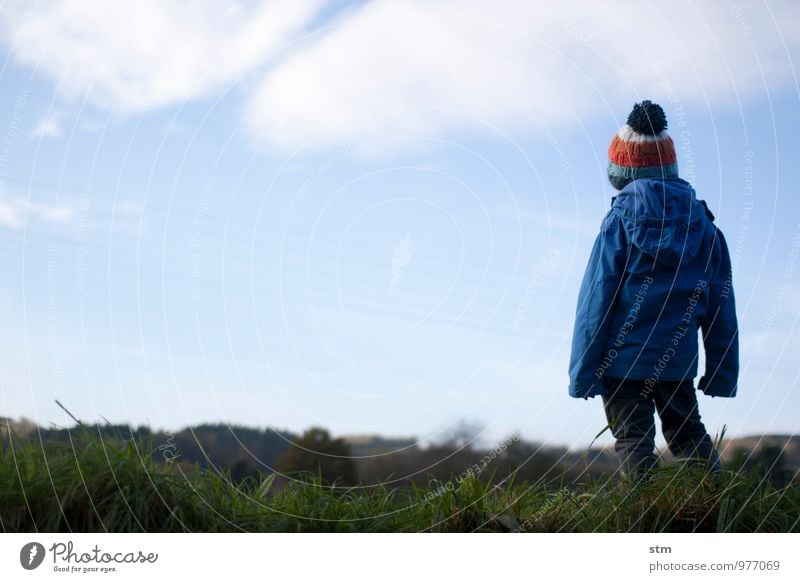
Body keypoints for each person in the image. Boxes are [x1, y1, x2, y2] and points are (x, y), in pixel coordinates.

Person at [568, 100, 739, 479]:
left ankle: (644, 520)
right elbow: (722, 310)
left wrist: (583, 371)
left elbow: (596, 300)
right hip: (678, 362)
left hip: (623, 359)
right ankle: (720, 506)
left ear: (621, 170)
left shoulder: (617, 223)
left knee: (633, 441)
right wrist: (722, 373)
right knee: (689, 434)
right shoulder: (708, 230)